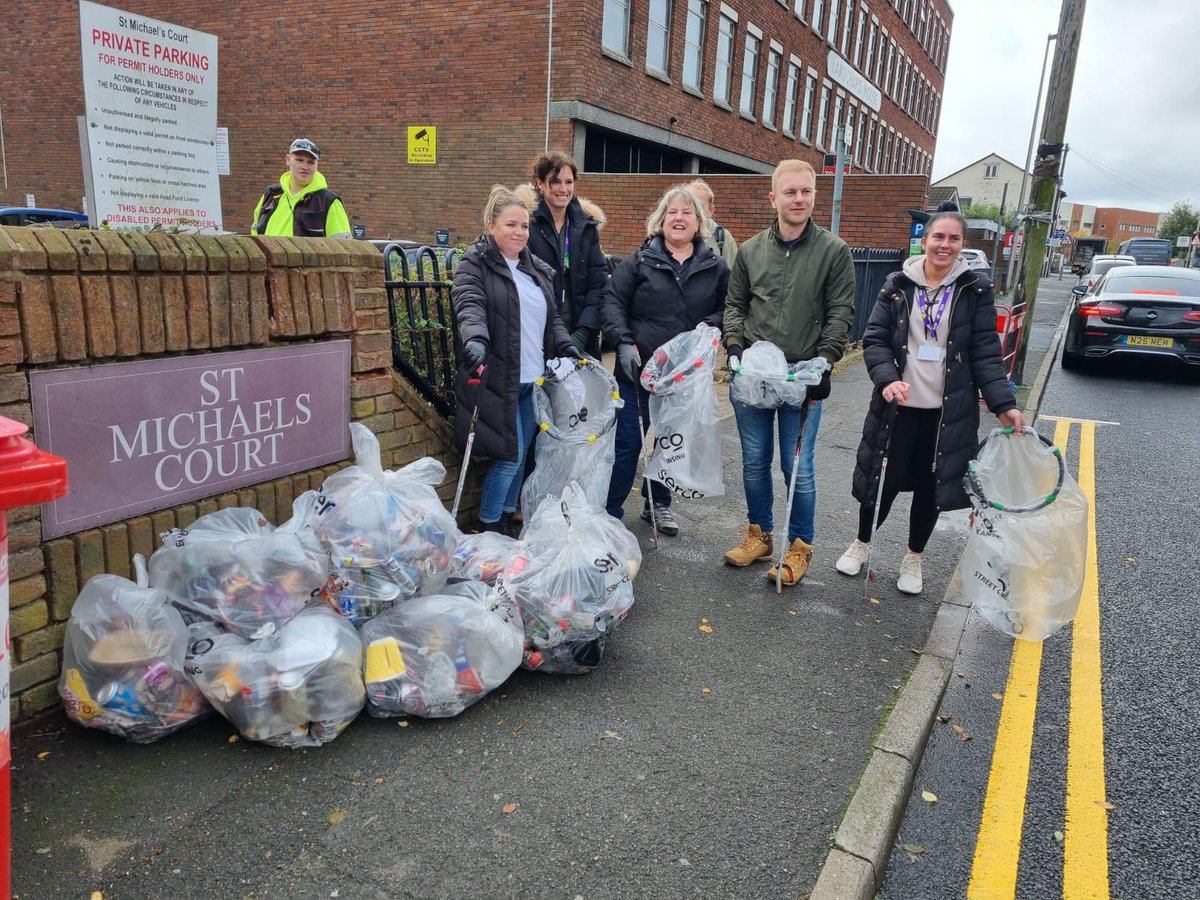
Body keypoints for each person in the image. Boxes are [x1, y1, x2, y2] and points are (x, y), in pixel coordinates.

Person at [837, 210, 1024, 594]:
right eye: (939, 237)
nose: (945, 245)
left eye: (954, 239)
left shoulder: (975, 290)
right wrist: (887, 380)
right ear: (926, 240)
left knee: (931, 486)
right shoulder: (897, 285)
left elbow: (986, 353)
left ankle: (913, 558)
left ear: (961, 244)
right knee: (880, 482)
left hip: (947, 413)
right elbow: (874, 340)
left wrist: (1004, 404)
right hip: (897, 408)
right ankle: (861, 543)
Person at [722, 159, 854, 586]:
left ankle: (800, 548)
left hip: (801, 374)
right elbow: (735, 305)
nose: (799, 199)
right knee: (755, 461)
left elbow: (840, 311)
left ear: (815, 195)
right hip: (756, 374)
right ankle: (759, 535)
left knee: (798, 466)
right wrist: (735, 345)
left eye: (806, 192)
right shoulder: (750, 251)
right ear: (773, 197)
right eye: (790, 192)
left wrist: (827, 361)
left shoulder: (833, 252)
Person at [451, 185, 582, 535]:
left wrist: (566, 345)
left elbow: (551, 320)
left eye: (524, 226)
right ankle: (489, 528)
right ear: (491, 225)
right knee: (508, 457)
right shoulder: (474, 265)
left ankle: (507, 519)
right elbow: (470, 306)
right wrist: (475, 340)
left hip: (533, 381)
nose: (520, 232)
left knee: (522, 457)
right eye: (511, 224)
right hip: (499, 379)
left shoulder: (536, 269)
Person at [602, 185, 729, 535]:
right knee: (627, 441)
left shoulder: (716, 267)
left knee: (671, 444)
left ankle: (657, 505)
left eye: (687, 212)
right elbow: (613, 302)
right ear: (661, 219)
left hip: (682, 377)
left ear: (698, 221)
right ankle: (610, 509)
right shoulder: (639, 261)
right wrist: (623, 342)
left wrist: (712, 326)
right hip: (637, 371)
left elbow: (728, 309)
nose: (679, 218)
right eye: (672, 211)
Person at [527, 151, 608, 357]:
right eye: (555, 181)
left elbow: (598, 286)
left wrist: (581, 335)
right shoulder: (525, 225)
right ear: (540, 184)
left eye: (569, 182)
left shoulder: (586, 227)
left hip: (580, 341)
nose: (563, 189)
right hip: (537, 340)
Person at [251, 139, 352, 238]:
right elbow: (255, 236)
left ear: (317, 165)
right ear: (288, 159)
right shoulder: (270, 196)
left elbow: (344, 249)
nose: (305, 167)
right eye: (299, 160)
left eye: (311, 162)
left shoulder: (329, 202)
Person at [689, 179, 738, 270]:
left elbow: (732, 278)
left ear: (711, 210)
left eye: (700, 206)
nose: (694, 211)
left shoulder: (723, 238)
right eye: (690, 205)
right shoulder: (674, 234)